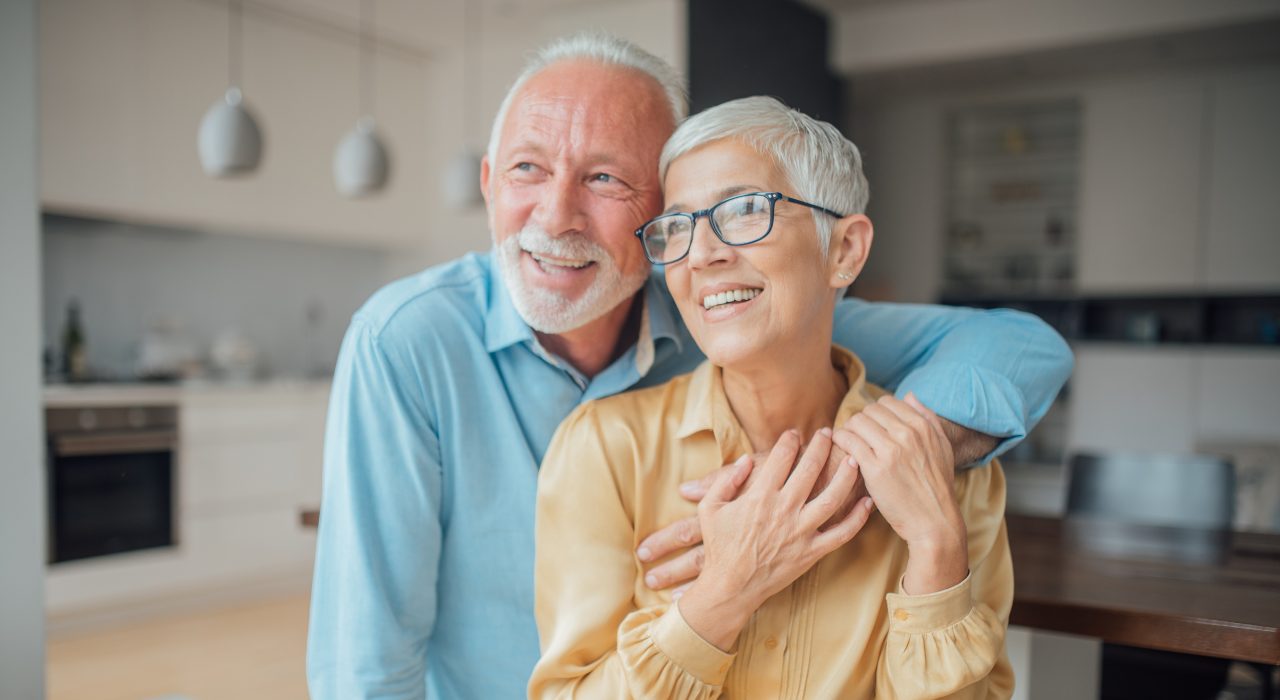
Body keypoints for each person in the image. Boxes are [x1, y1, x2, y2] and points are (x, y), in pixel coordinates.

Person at [306, 32, 1068, 700]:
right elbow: (365, 656)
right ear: (487, 183)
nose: (555, 215)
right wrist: (730, 584)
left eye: (605, 178)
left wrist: (870, 469)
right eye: (527, 169)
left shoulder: (733, 308)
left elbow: (1021, 346)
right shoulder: (409, 340)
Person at [530, 96, 1012, 700]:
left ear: (845, 251)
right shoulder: (604, 448)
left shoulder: (951, 472)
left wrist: (939, 551)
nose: (702, 255)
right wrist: (726, 591)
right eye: (679, 227)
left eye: (744, 211)